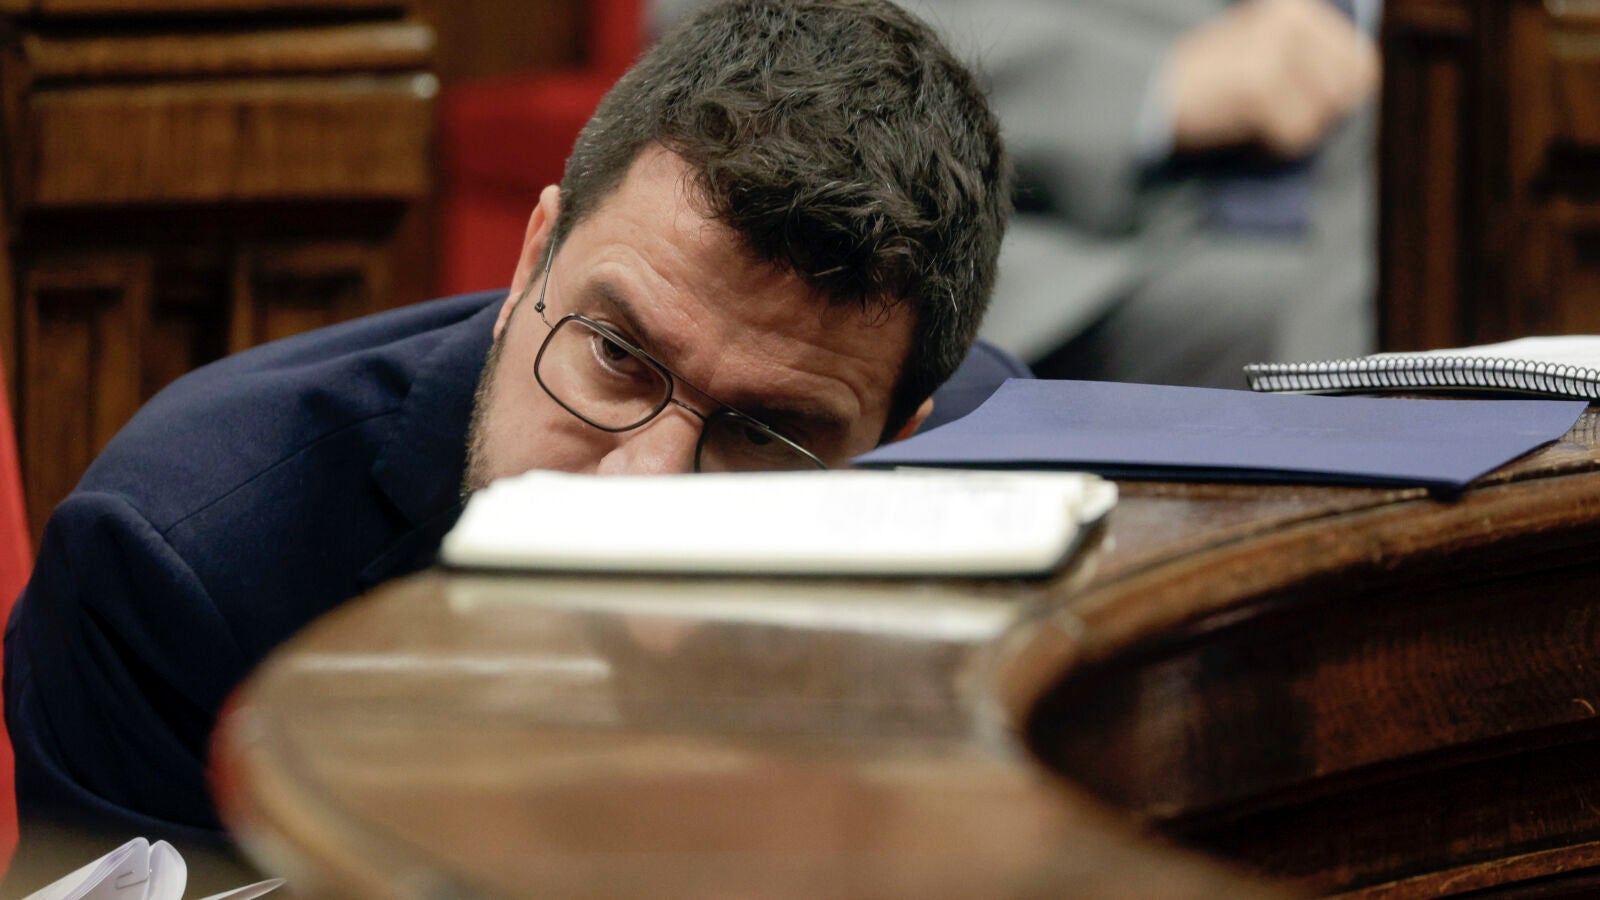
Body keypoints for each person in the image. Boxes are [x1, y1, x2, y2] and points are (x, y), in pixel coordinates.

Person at [2, 0, 1011, 856]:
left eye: (766, 434)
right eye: (615, 355)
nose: (645, 492)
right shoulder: (182, 564)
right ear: (532, 261)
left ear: (894, 446)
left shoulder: (1000, 498)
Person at [657, 0, 1380, 387]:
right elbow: (731, 26)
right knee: (1371, 331)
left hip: (1374, 205)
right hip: (1077, 247)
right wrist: (1155, 87)